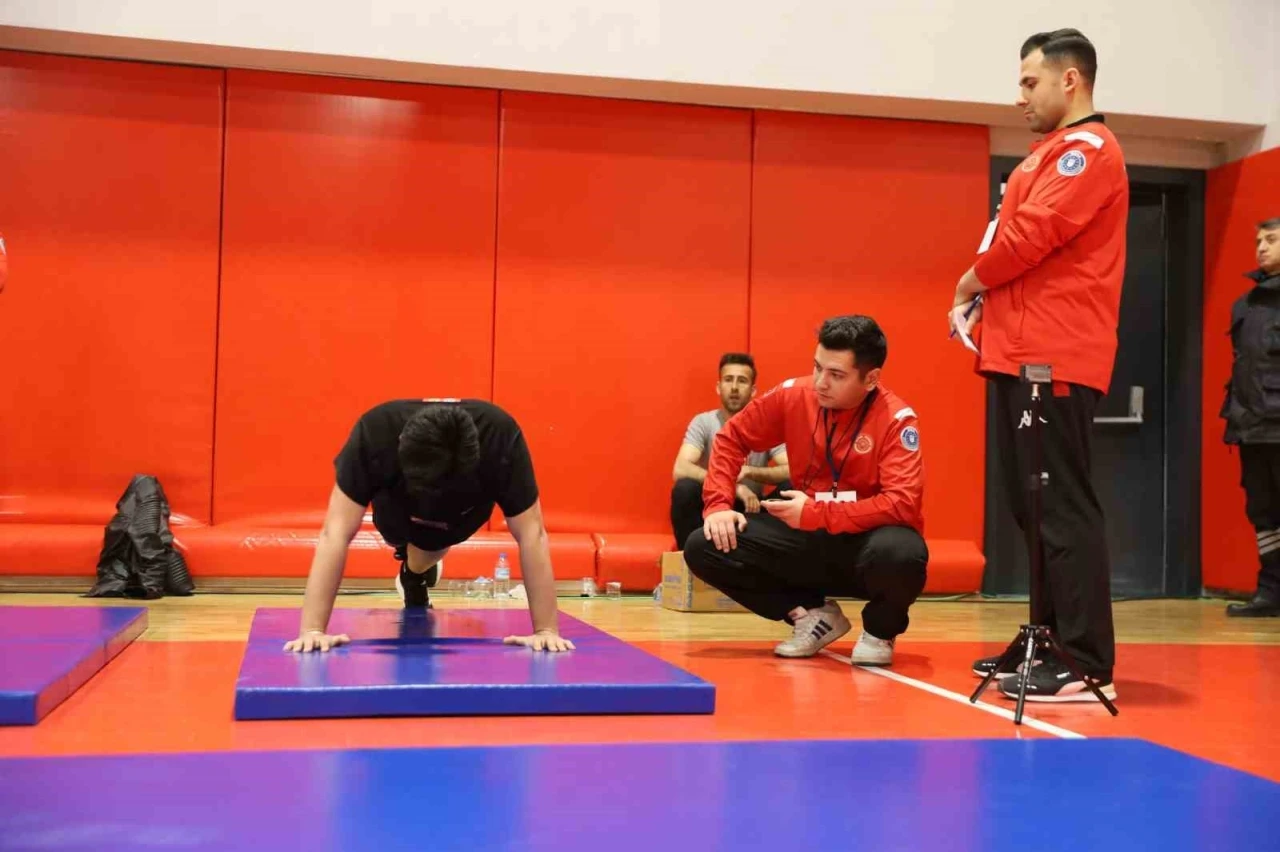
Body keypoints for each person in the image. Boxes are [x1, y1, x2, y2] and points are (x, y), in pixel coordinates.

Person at [949, 29, 1126, 702]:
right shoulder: (1045, 154)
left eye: (1030, 82)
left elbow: (1029, 237)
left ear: (1069, 80)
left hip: (1055, 354)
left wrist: (968, 282)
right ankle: (1046, 640)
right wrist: (984, 304)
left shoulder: (1088, 151)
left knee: (1060, 505)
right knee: (1032, 505)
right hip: (1019, 352)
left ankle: (1084, 658)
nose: (1020, 95)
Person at [683, 315, 928, 666]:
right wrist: (718, 504)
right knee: (704, 545)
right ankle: (812, 614)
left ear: (871, 379)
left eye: (836, 375)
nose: (820, 383)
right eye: (817, 367)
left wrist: (817, 513)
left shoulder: (896, 419)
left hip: (863, 545)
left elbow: (901, 504)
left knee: (903, 552)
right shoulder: (794, 395)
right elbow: (730, 437)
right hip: (806, 535)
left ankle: (879, 631)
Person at [283, 398, 575, 653]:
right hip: (395, 507)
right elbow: (335, 533)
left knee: (429, 549)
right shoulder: (375, 432)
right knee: (405, 538)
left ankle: (413, 574)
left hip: (463, 510)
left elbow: (532, 534)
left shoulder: (499, 436)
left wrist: (545, 630)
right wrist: (312, 630)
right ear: (400, 442)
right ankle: (411, 563)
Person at [1220, 217, 1280, 617]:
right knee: (1262, 510)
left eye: (1271, 239)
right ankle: (1271, 592)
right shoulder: (1244, 304)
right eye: (1258, 240)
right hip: (1251, 427)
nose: (1261, 247)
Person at [670, 353, 789, 548]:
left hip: (752, 508)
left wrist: (750, 471)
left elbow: (792, 470)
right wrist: (733, 487)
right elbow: (681, 468)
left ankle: (777, 559)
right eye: (728, 380)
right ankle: (689, 558)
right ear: (718, 387)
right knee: (685, 488)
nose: (734, 387)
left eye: (742, 381)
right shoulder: (704, 422)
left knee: (791, 487)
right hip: (713, 508)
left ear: (753, 390)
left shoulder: (766, 426)